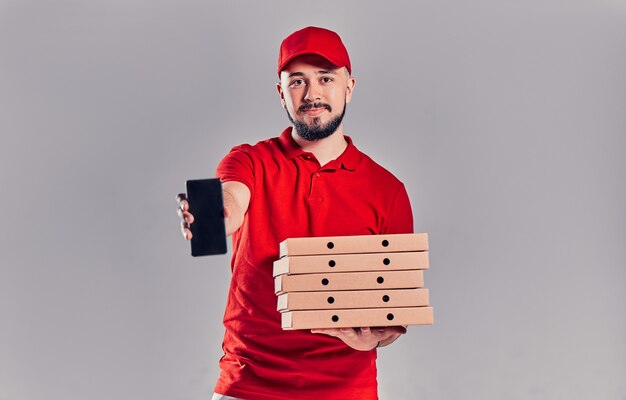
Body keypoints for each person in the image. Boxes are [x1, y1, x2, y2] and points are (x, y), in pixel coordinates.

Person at [176, 26, 414, 400]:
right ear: (281, 92)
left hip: (345, 391)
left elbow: (393, 310)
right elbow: (232, 199)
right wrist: (216, 215)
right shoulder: (250, 161)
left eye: (325, 78)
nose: (312, 94)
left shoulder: (388, 191)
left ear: (349, 87)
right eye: (297, 81)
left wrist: (375, 337)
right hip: (248, 386)